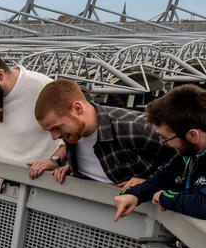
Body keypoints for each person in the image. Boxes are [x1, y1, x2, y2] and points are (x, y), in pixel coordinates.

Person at [113, 84, 206, 248]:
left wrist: (165, 197)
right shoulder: (195, 147)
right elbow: (165, 176)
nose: (163, 144)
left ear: (192, 135)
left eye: (165, 138)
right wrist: (135, 194)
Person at [31, 79, 175, 186]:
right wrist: (62, 163)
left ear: (77, 109)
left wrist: (151, 183)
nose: (55, 136)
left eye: (57, 128)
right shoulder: (73, 133)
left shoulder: (136, 126)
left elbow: (189, 161)